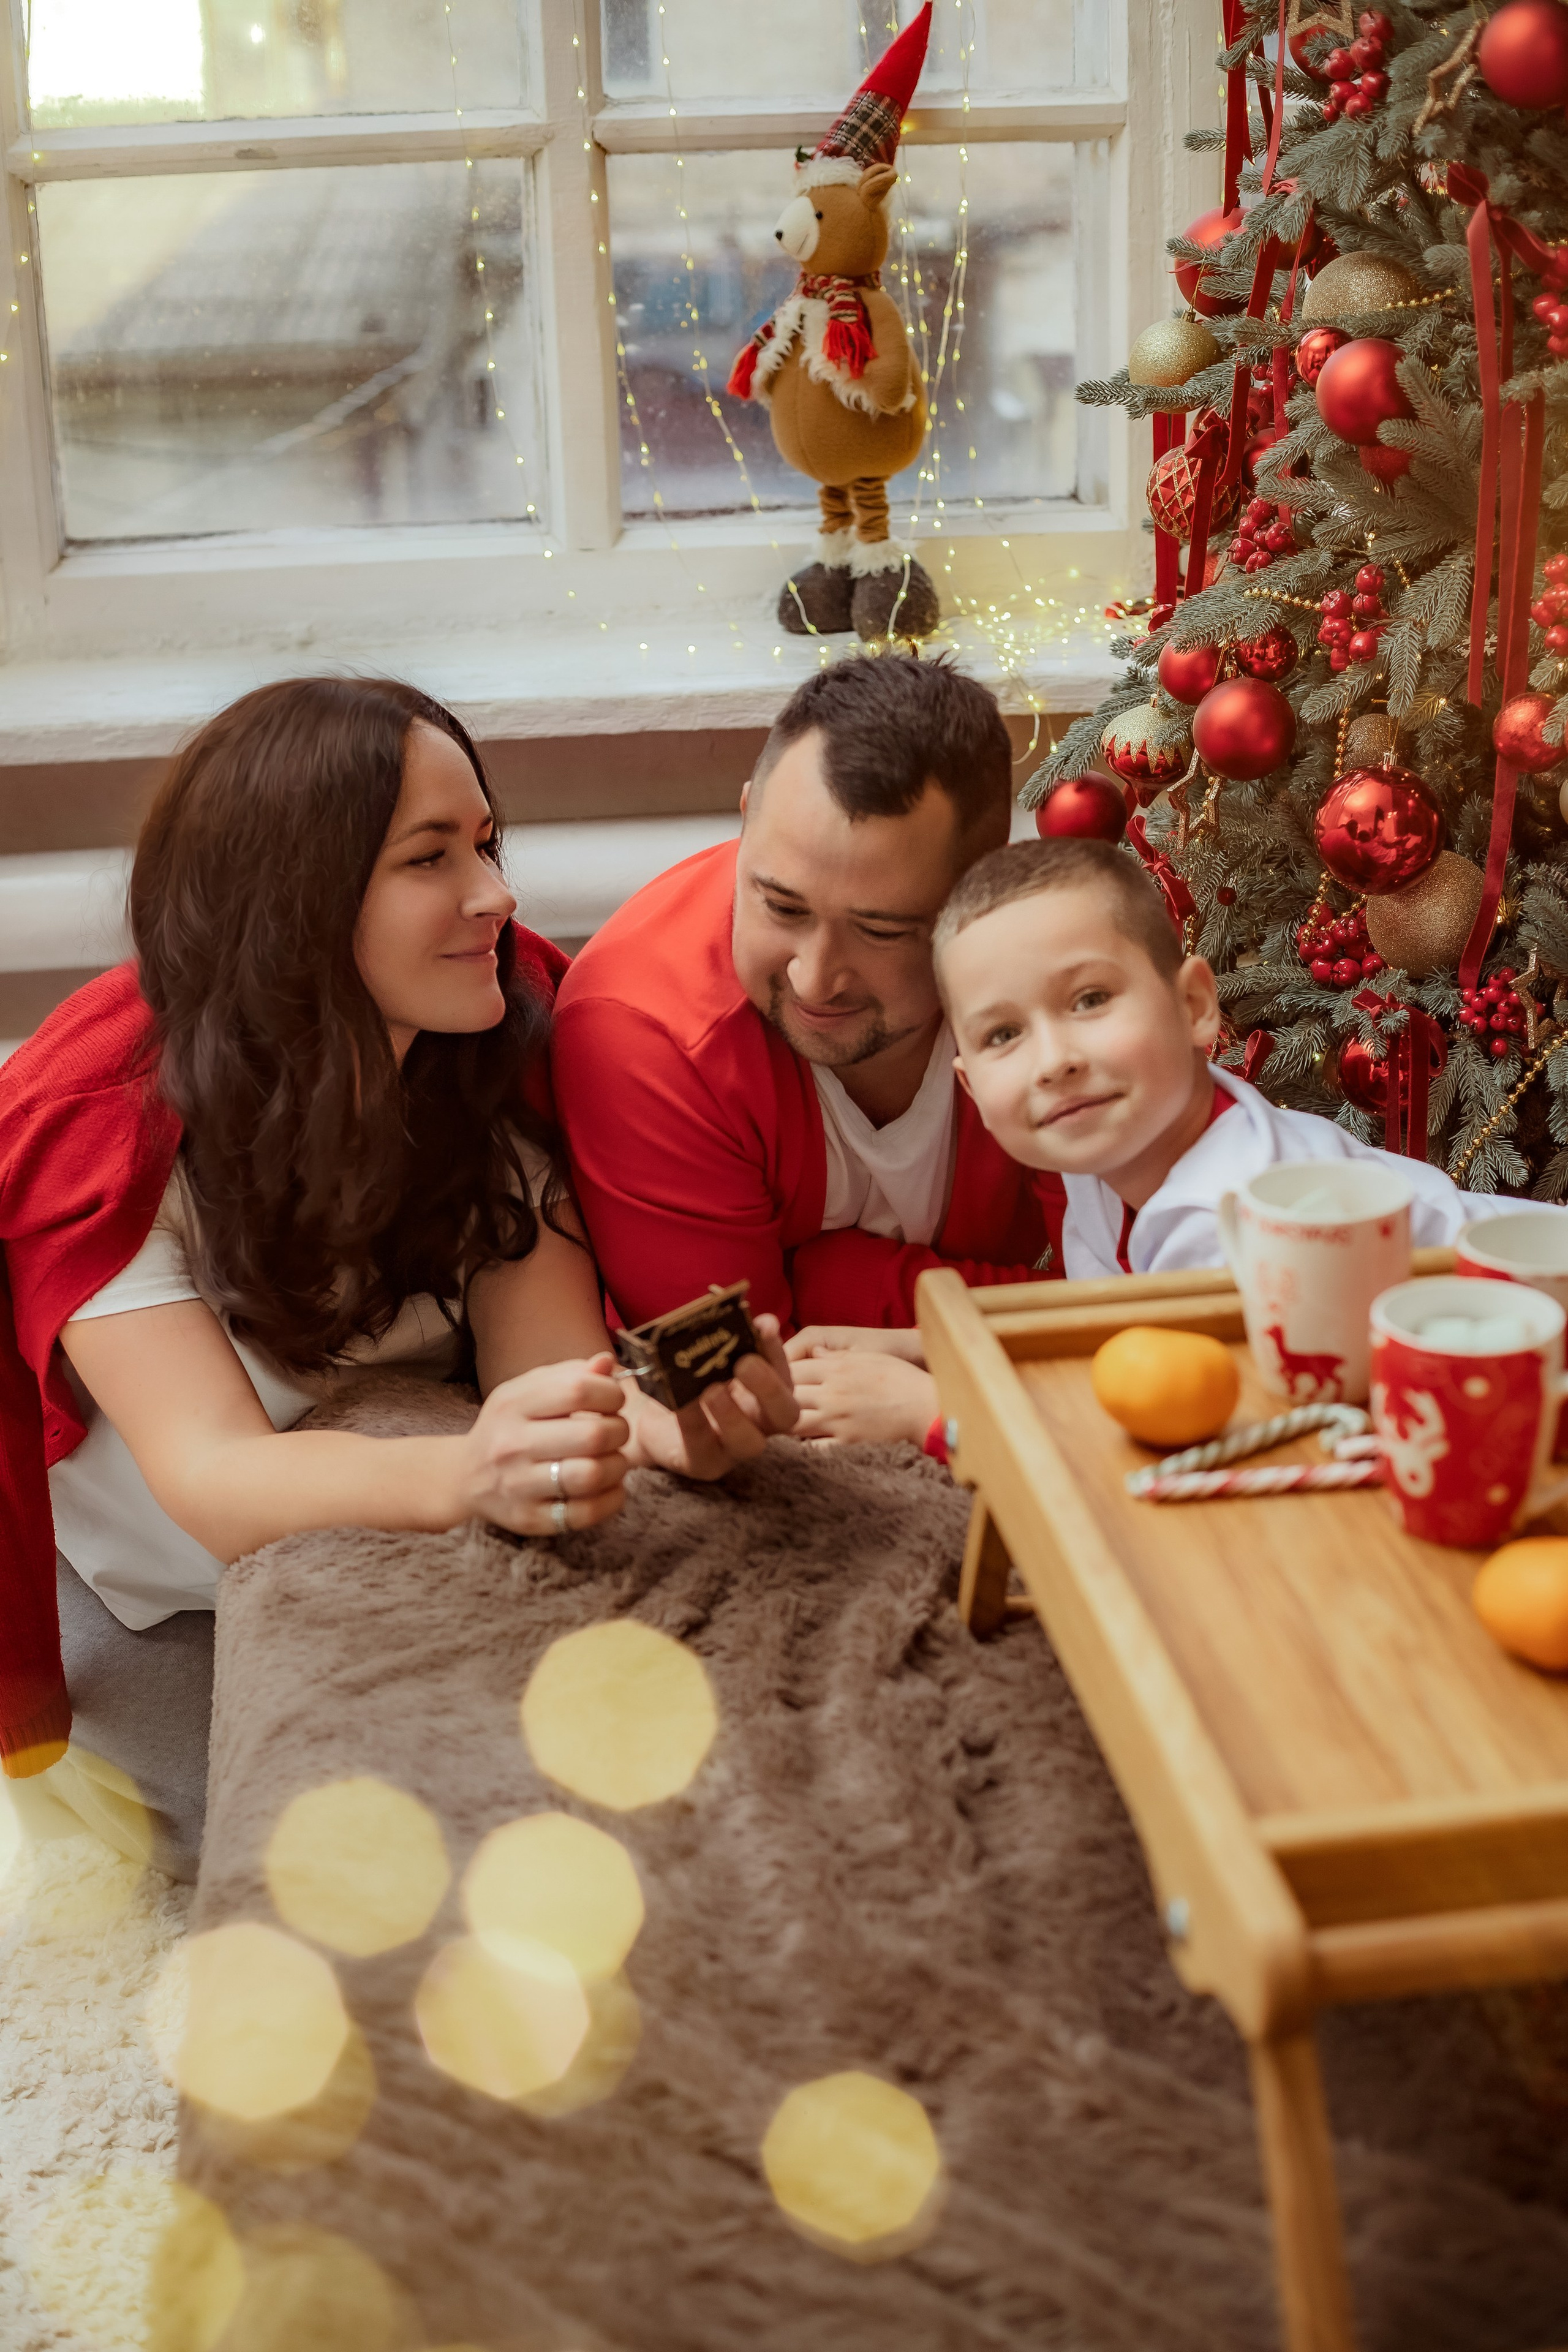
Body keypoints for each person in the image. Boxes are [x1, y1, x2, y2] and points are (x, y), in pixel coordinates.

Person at [0, 677, 795, 1878]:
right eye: (432, 860)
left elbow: (551, 1370)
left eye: (486, 844)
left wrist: (678, 1424)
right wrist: (476, 1467)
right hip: (157, 1601)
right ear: (297, 904)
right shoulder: (110, 1137)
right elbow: (215, 1474)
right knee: (339, 1862)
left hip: (404, 1523)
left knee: (636, 1793)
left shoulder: (493, 1064)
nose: (498, 895)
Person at [551, 654, 1066, 1450]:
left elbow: (1148, 1310)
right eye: (780, 905)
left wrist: (845, 1285)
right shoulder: (641, 1029)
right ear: (748, 816)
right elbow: (755, 1395)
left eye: (881, 929)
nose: (814, 977)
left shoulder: (1061, 986)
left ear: (982, 887)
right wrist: (1013, 1314)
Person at [933, 834, 1525, 1281]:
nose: (1052, 1060)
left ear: (1193, 1006)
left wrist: (941, 1415)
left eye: (1090, 1000)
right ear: (971, 1088)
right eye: (1003, 1035)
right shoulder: (1104, 1142)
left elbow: (1223, 1426)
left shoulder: (1236, 1221)